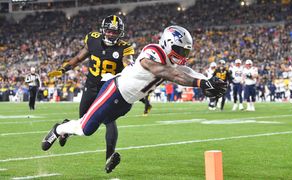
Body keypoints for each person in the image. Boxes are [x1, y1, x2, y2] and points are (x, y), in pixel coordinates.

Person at [41, 25, 227, 173]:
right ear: (168, 43)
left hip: (126, 103)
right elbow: (167, 73)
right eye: (179, 50)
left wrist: (209, 81)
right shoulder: (152, 52)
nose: (183, 55)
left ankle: (89, 142)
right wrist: (202, 84)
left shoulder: (171, 62)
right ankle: (58, 129)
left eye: (185, 52)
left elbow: (188, 72)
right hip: (114, 90)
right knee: (85, 129)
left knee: (100, 123)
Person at [47, 15, 135, 166]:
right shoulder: (93, 39)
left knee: (109, 120)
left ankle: (109, 155)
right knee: (83, 123)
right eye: (109, 31)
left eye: (115, 32)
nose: (112, 34)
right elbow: (79, 58)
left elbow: (127, 62)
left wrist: (131, 70)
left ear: (120, 33)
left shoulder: (125, 47)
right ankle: (65, 127)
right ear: (103, 30)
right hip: (91, 86)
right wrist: (63, 70)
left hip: (109, 89)